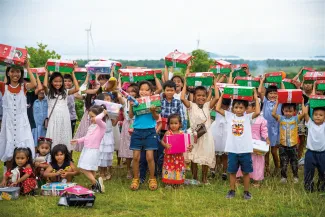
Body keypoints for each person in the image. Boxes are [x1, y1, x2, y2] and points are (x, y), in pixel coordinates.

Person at [216, 89, 260, 200]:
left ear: (245, 109)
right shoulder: (229, 116)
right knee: (232, 172)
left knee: (246, 172)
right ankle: (232, 191)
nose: (238, 110)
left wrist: (255, 97)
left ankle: (246, 192)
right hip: (232, 150)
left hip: (245, 150)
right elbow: (217, 108)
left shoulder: (248, 117)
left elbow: (258, 112)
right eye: (236, 107)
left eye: (241, 108)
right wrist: (222, 96)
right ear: (232, 108)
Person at [181, 76, 219, 184]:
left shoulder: (207, 106)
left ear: (206, 96)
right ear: (194, 96)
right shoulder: (191, 106)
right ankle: (195, 178)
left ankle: (204, 179)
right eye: (198, 95)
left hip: (206, 136)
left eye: (203, 95)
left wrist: (215, 83)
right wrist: (185, 83)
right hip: (194, 135)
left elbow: (216, 97)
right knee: (193, 156)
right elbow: (182, 98)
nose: (201, 97)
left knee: (205, 156)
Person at [0, 61, 37, 169]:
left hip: (22, 123)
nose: (15, 74)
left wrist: (28, 67)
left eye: (18, 71)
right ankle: (8, 174)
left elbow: (34, 84)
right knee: (9, 146)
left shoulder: (23, 87)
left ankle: (24, 173)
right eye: (12, 71)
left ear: (21, 73)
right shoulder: (3, 86)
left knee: (23, 147)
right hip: (9, 123)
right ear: (8, 73)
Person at [128, 81, 160, 191]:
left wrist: (153, 111)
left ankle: (152, 178)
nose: (144, 92)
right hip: (137, 132)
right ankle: (136, 178)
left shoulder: (154, 102)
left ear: (151, 92)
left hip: (150, 131)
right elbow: (131, 115)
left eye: (147, 90)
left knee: (150, 157)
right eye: (142, 89)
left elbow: (156, 118)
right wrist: (131, 106)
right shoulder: (136, 102)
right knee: (136, 157)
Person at [71, 105, 107, 193]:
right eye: (90, 117)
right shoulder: (92, 126)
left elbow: (98, 119)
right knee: (91, 169)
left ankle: (95, 182)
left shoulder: (102, 126)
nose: (91, 118)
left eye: (92, 116)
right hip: (87, 149)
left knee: (83, 167)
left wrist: (103, 113)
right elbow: (87, 137)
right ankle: (95, 186)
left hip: (93, 150)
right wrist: (78, 140)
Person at [43, 65, 79, 152]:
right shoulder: (49, 93)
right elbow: (44, 85)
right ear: (51, 82)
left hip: (64, 119)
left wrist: (73, 73)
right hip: (54, 120)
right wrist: (47, 71)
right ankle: (53, 155)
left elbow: (77, 88)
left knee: (64, 137)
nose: (58, 83)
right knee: (53, 137)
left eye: (60, 81)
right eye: (55, 81)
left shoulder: (65, 92)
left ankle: (64, 156)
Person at [236, 101, 270, 187]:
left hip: (256, 144)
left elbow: (264, 131)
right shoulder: (243, 118)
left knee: (256, 161)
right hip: (243, 142)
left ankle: (256, 180)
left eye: (247, 108)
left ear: (254, 108)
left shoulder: (261, 120)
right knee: (241, 160)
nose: (244, 110)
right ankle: (238, 178)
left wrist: (266, 138)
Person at [272, 100, 304, 183]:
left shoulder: (296, 119)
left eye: (290, 111)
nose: (288, 113)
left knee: (294, 162)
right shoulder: (281, 118)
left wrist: (302, 103)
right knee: (283, 162)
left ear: (294, 111)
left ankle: (295, 176)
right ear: (283, 110)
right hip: (283, 145)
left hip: (293, 145)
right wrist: (277, 103)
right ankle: (283, 177)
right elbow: (273, 114)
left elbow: (304, 114)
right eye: (286, 111)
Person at [158, 80, 185, 176]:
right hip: (163, 130)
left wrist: (181, 130)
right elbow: (158, 117)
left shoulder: (178, 103)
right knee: (161, 152)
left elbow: (181, 116)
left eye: (171, 90)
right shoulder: (160, 102)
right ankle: (160, 172)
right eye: (167, 90)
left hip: (175, 131)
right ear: (164, 91)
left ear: (175, 91)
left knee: (174, 152)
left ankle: (174, 173)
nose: (169, 92)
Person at [258, 78, 283, 175]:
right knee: (266, 151)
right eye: (271, 93)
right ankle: (267, 169)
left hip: (276, 129)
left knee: (274, 151)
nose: (273, 95)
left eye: (275, 93)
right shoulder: (265, 102)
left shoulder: (280, 102)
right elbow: (259, 91)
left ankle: (278, 168)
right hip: (266, 129)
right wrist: (262, 81)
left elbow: (283, 91)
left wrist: (280, 81)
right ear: (267, 94)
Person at [160, 114, 192, 188]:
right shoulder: (168, 133)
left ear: (180, 124)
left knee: (178, 168)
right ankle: (168, 183)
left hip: (179, 156)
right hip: (169, 157)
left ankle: (178, 182)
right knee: (169, 168)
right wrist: (165, 145)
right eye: (171, 123)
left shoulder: (182, 133)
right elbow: (162, 141)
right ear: (168, 124)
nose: (173, 125)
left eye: (176, 123)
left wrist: (190, 147)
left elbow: (188, 144)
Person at [302, 105, 325, 192]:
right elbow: (305, 114)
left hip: (322, 153)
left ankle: (322, 186)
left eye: (321, 115)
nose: (318, 116)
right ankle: (309, 188)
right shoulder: (310, 124)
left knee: (323, 171)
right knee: (308, 171)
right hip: (310, 153)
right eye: (315, 114)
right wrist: (308, 105)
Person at [119, 83, 138, 179]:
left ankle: (137, 169)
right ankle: (128, 170)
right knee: (127, 148)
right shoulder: (125, 101)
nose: (131, 93)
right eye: (129, 91)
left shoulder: (139, 101)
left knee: (138, 148)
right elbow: (119, 95)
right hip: (127, 125)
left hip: (138, 124)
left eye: (133, 91)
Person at [97, 93, 118, 180]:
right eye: (106, 99)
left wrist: (115, 116)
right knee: (101, 153)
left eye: (109, 99)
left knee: (107, 153)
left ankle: (106, 171)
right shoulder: (97, 111)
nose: (108, 101)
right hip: (100, 135)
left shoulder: (111, 111)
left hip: (109, 134)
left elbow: (114, 124)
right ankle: (101, 172)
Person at [210, 98, 231, 180]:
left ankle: (224, 172)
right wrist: (221, 95)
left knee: (225, 154)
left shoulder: (230, 111)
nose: (224, 107)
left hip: (226, 132)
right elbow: (216, 106)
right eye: (223, 105)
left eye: (226, 105)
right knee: (214, 153)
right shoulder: (218, 109)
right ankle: (213, 170)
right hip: (216, 131)